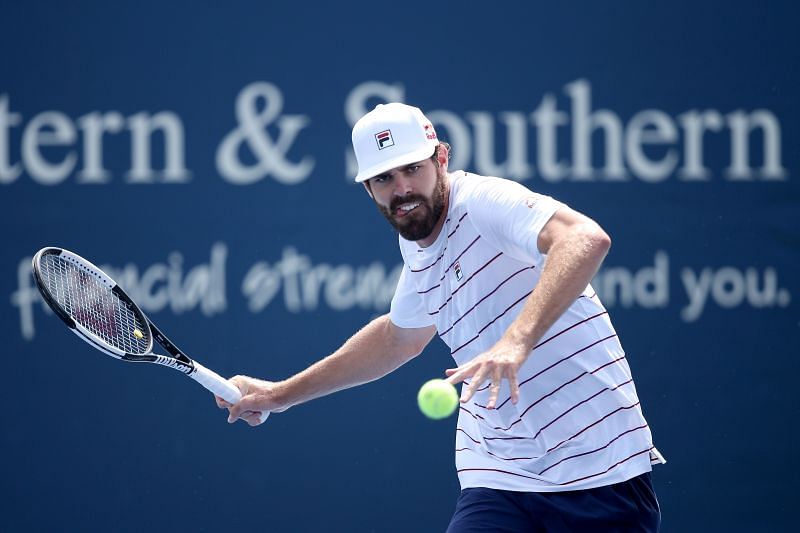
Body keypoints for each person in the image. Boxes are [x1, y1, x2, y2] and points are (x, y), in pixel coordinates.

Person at [217, 103, 665, 531]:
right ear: (368, 189)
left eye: (413, 169)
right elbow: (398, 338)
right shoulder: (415, 242)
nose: (402, 189)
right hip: (498, 472)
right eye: (384, 178)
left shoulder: (484, 201)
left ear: (441, 159)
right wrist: (280, 395)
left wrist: (517, 339)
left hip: (600, 467)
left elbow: (585, 237)